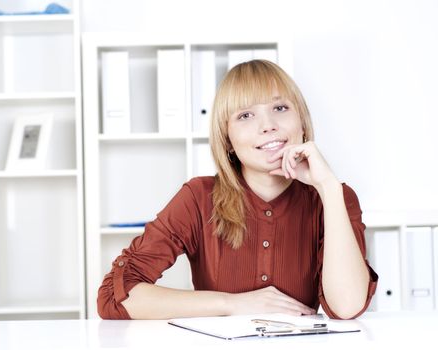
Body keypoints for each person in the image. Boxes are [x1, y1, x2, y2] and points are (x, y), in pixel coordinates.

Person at [98, 59, 378, 320]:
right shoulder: (198, 198)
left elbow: (347, 306)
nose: (268, 126)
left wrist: (328, 187)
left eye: (280, 108)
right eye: (245, 115)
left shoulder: (334, 197)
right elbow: (114, 297)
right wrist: (231, 304)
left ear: (302, 124)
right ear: (228, 139)